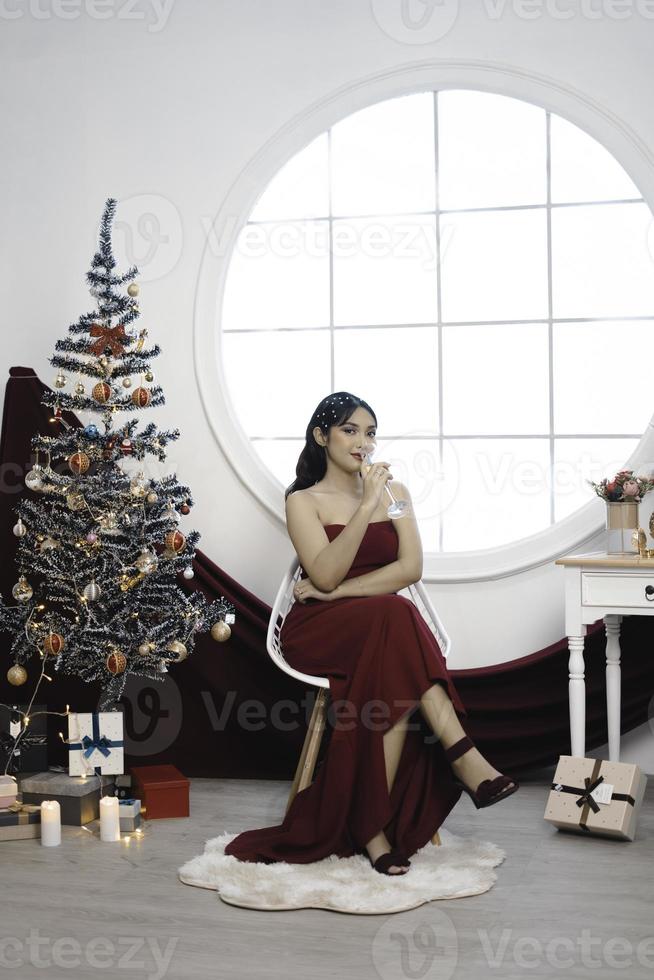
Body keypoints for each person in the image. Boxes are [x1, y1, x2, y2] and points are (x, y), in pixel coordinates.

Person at [224, 392, 518, 876]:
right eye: (350, 430)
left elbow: (409, 568)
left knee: (392, 624)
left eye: (370, 432)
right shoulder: (303, 500)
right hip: (318, 631)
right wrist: (363, 509)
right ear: (322, 437)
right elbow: (322, 575)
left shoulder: (397, 493)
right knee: (394, 617)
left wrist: (343, 594)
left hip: (371, 623)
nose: (364, 443)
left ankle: (372, 828)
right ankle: (464, 757)